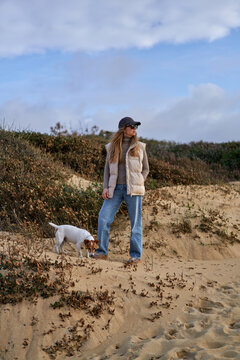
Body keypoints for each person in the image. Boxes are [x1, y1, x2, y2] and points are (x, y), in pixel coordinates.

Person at [93, 117, 149, 263]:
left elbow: (146, 169)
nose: (135, 129)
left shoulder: (140, 146)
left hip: (133, 190)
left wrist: (139, 181)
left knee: (135, 223)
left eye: (136, 127)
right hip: (115, 189)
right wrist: (105, 187)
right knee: (103, 218)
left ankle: (135, 256)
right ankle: (101, 252)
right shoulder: (111, 147)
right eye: (132, 126)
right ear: (123, 128)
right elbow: (106, 170)